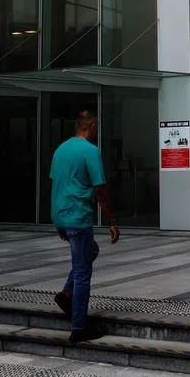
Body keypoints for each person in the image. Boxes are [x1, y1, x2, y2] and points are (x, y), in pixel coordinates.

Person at [50, 110, 120, 343]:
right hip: (78, 217)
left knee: (92, 250)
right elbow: (99, 189)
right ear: (92, 127)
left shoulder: (60, 149)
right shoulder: (90, 151)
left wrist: (59, 221)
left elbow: (56, 182)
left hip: (61, 216)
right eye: (96, 127)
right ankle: (79, 328)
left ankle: (66, 294)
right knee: (82, 274)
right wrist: (111, 220)